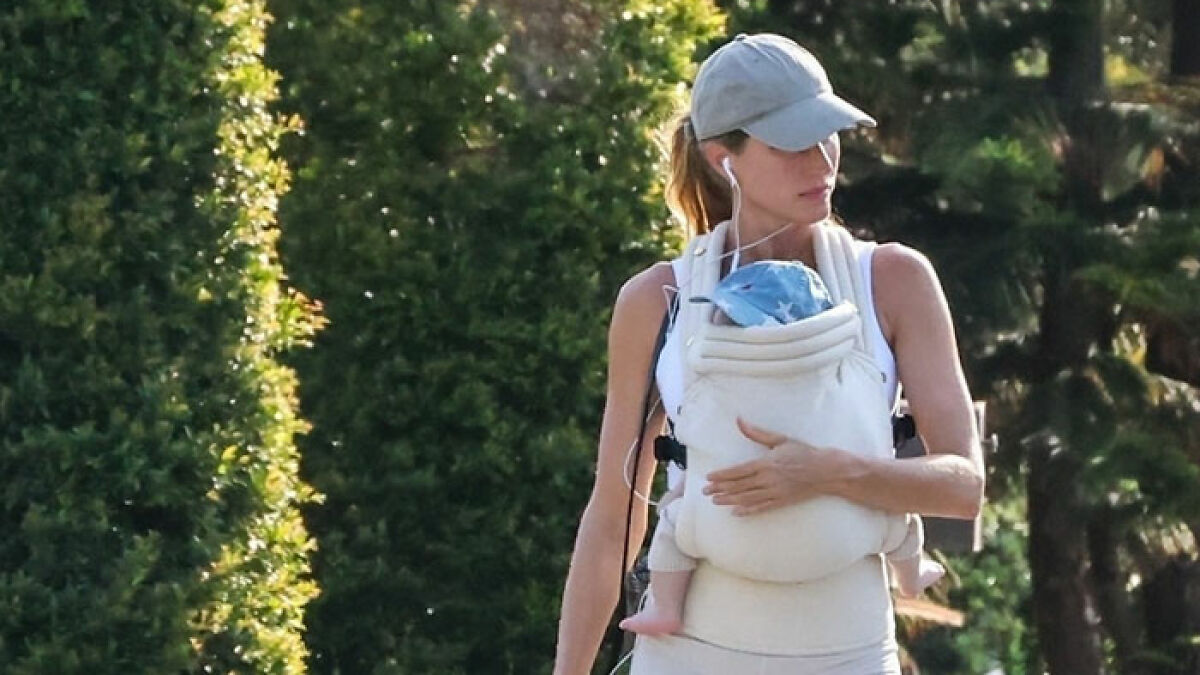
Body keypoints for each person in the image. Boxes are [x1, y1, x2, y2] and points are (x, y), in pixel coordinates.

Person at [553, 32, 984, 675]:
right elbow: (613, 518)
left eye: (829, 134)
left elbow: (964, 487)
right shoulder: (657, 300)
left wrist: (828, 471)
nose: (822, 162)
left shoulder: (895, 280)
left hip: (852, 657)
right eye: (792, 144)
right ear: (722, 156)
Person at [617, 259, 946, 636]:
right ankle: (911, 573)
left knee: (673, 518)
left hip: (719, 532)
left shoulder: (712, 384)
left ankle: (666, 607)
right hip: (845, 536)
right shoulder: (846, 383)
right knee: (899, 521)